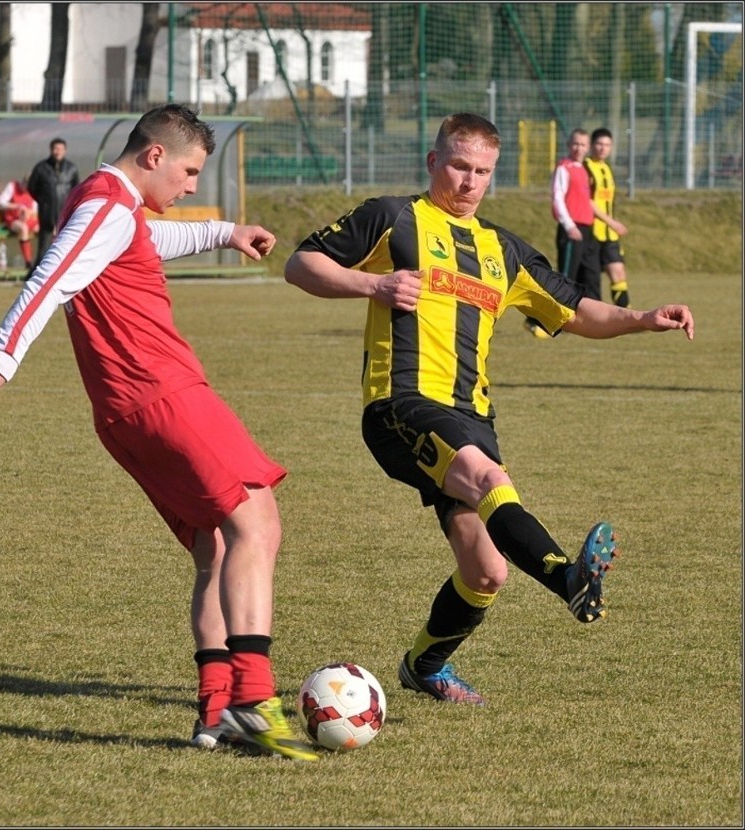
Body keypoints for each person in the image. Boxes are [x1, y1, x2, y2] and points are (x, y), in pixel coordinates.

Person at [0, 104, 318, 762]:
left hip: (127, 409)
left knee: (217, 550)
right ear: (153, 158)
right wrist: (0, 363)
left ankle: (215, 712)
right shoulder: (107, 208)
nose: (194, 184)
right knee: (258, 523)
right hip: (160, 393)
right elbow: (50, 279)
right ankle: (255, 701)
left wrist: (225, 232)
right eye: (190, 170)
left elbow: (140, 242)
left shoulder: (111, 207)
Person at [283, 112, 694, 706]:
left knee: (487, 573)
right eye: (458, 166)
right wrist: (373, 285)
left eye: (482, 171)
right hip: (403, 403)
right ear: (432, 163)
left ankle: (424, 664)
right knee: (489, 479)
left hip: (472, 417)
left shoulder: (504, 250)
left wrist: (641, 318)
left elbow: (576, 310)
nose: (469, 182)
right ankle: (566, 577)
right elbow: (303, 263)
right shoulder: (394, 217)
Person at [525, 127, 599, 338]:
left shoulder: (584, 169)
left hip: (586, 229)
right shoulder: (564, 168)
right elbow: (557, 199)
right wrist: (569, 226)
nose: (579, 148)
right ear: (569, 145)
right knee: (565, 278)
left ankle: (586, 321)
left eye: (583, 144)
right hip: (572, 228)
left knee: (588, 276)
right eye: (575, 143)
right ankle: (537, 321)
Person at [585, 127, 631, 308]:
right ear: (592, 145)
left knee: (618, 273)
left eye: (607, 145)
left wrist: (612, 223)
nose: (603, 148)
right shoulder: (586, 167)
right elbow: (586, 201)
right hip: (592, 232)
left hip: (609, 234)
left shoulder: (606, 168)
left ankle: (627, 317)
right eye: (599, 144)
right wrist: (611, 221)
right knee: (591, 279)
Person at [26, 137, 80, 272]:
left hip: (65, 213)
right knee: (44, 247)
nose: (58, 152)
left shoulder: (72, 169)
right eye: (55, 149)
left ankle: (65, 273)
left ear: (65, 151)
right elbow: (32, 188)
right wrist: (43, 201)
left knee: (65, 245)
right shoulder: (41, 168)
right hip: (47, 213)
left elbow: (76, 189)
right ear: (51, 150)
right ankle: (37, 274)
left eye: (61, 149)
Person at [0, 176, 39, 272]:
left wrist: (28, 213)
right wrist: (16, 206)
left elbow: (35, 209)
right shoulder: (12, 186)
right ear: (23, 183)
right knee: (23, 228)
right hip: (13, 219)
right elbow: (1, 202)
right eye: (26, 187)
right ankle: (28, 262)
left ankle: (43, 260)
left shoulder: (33, 191)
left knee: (44, 229)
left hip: (29, 219)